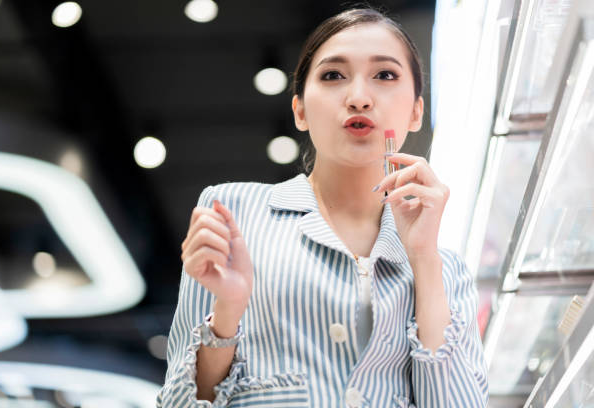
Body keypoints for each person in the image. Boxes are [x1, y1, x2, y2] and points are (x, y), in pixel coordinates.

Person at [157, 7, 488, 408]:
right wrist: (227, 312)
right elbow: (177, 402)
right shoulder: (234, 213)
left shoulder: (445, 269)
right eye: (333, 75)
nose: (360, 98)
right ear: (299, 110)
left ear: (416, 111)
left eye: (385, 75)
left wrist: (423, 259)